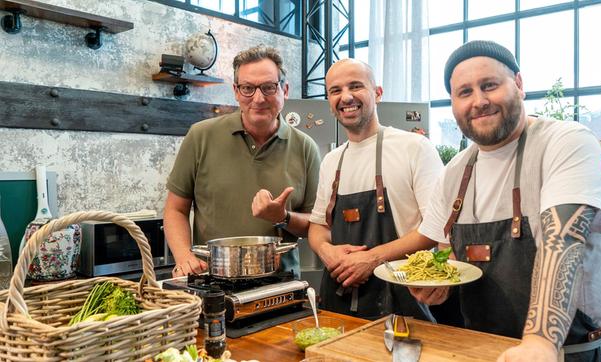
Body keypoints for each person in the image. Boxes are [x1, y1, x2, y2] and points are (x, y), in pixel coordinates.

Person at [411, 40, 601, 361]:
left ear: (518, 84)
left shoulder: (566, 143)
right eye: (464, 92)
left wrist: (540, 342)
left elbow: (562, 242)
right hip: (479, 350)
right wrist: (439, 284)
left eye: (489, 85)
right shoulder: (456, 172)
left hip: (565, 352)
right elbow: (446, 250)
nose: (478, 101)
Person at [164, 45, 321, 278]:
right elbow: (175, 209)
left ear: (284, 90)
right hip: (211, 279)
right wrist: (184, 257)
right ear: (236, 91)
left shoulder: (305, 147)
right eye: (248, 88)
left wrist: (282, 217)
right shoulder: (200, 136)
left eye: (268, 87)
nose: (258, 99)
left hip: (280, 281)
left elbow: (316, 225)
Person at [308, 58, 444, 320]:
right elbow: (318, 227)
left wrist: (372, 259)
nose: (346, 97)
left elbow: (435, 228)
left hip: (402, 303)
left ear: (378, 93)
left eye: (356, 86)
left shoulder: (414, 148)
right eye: (335, 91)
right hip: (338, 305)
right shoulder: (332, 161)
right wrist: (328, 253)